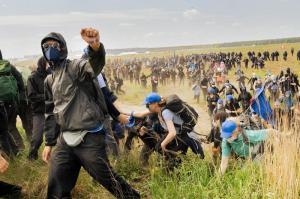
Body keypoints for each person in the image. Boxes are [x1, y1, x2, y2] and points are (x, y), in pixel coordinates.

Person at [41, 28, 140, 199]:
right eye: (46, 46)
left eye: (54, 45)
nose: (50, 48)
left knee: (108, 180)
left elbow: (94, 65)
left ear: (62, 48)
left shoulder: (76, 68)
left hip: (89, 137)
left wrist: (94, 45)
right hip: (65, 140)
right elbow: (50, 113)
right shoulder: (49, 80)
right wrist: (49, 142)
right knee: (56, 186)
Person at [27, 57, 51, 160]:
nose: (50, 65)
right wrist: (47, 96)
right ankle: (31, 157)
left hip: (52, 110)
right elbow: (32, 96)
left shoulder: (52, 75)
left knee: (60, 136)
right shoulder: (32, 78)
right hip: (39, 112)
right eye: (48, 64)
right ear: (42, 64)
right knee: (37, 138)